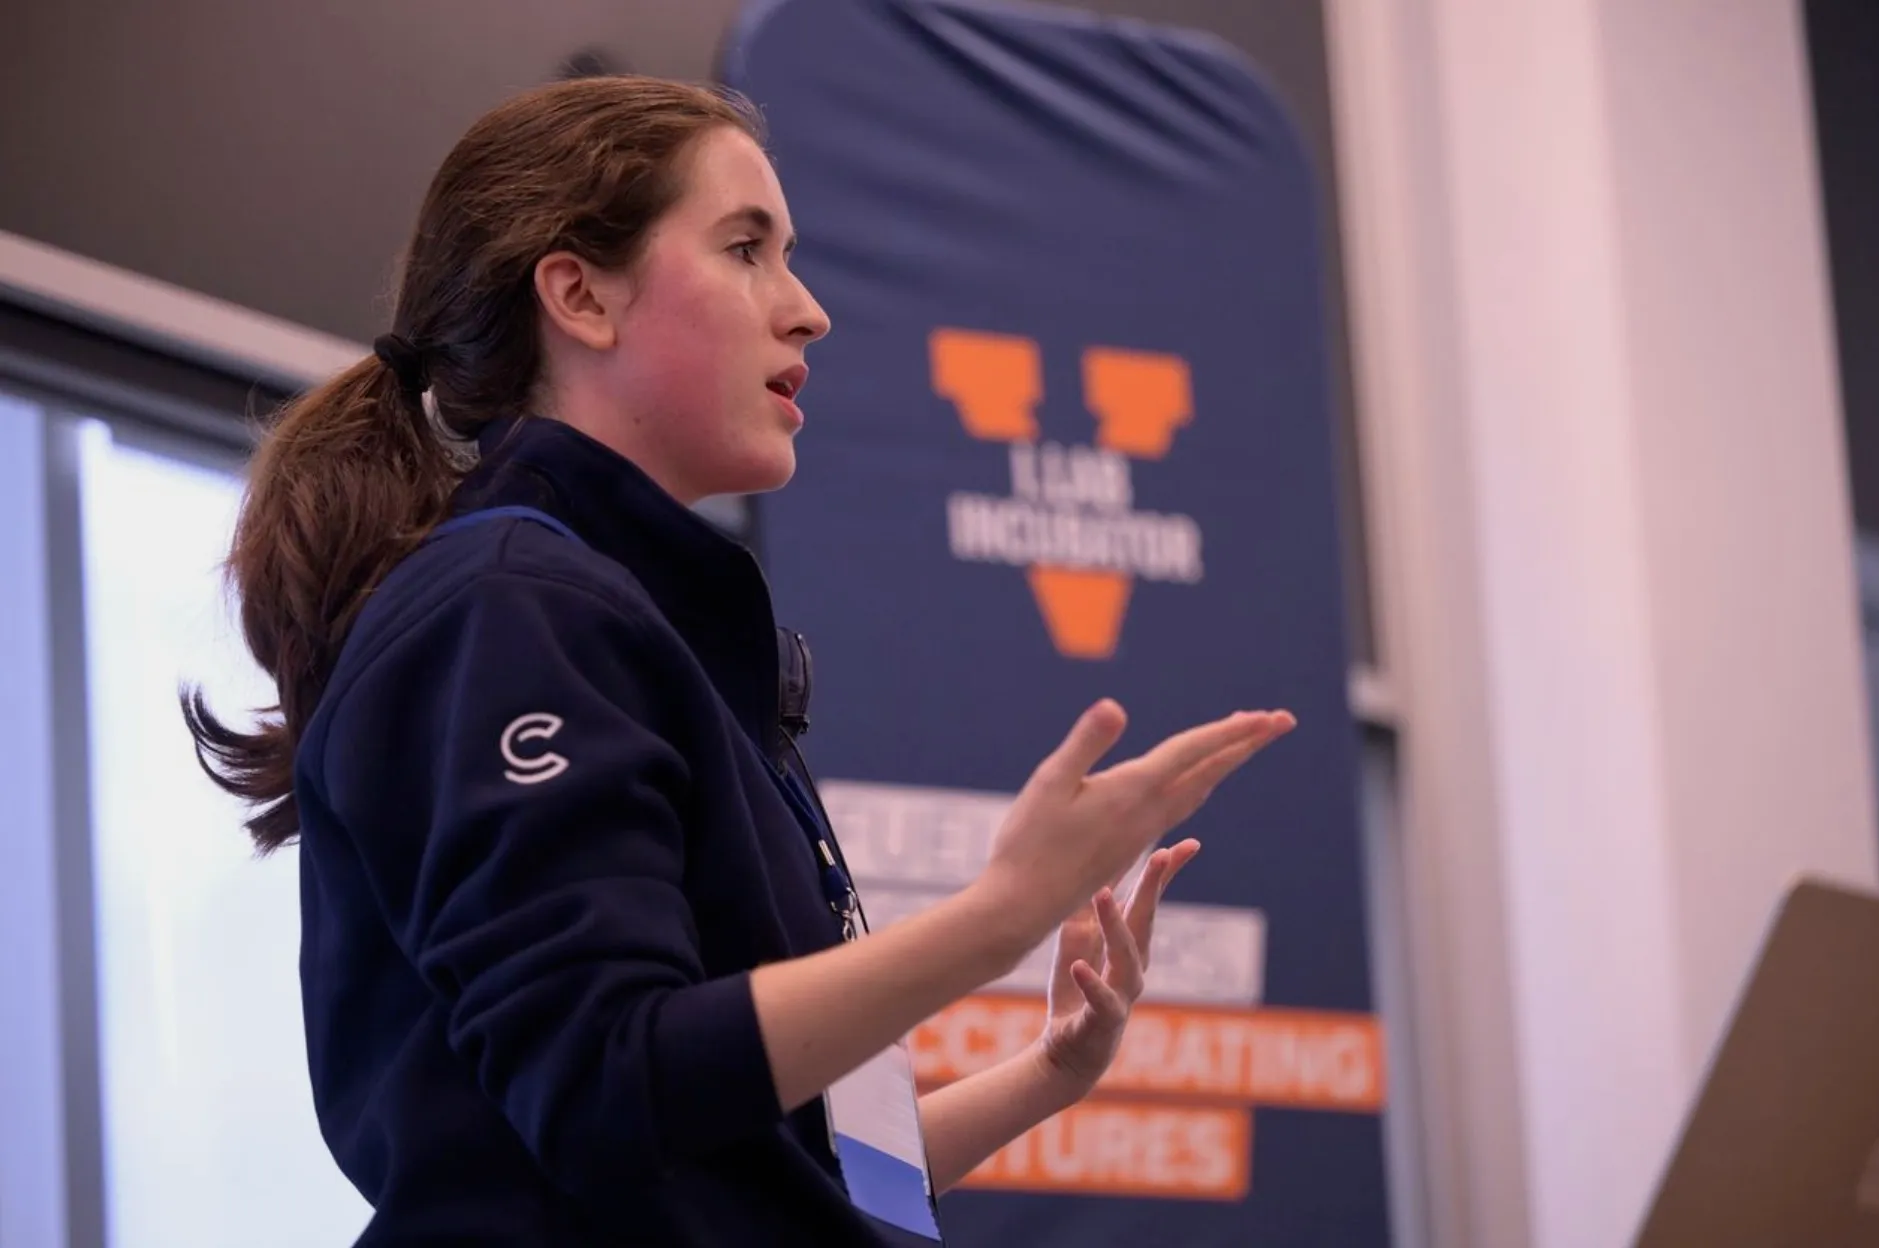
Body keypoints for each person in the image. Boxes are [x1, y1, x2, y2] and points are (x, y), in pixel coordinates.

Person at [184, 76, 1294, 1246]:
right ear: (578, 296)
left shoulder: (624, 620)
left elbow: (799, 1166)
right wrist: (997, 917)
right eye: (745, 249)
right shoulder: (507, 606)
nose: (806, 309)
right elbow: (608, 1085)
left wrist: (1049, 1074)